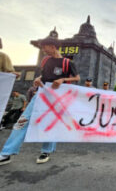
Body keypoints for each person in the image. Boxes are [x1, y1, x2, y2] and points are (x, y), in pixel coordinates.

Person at [0, 33, 80, 166]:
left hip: (58, 97)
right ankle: (7, 152)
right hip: (41, 95)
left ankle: (46, 151)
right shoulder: (46, 61)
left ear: (53, 47)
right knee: (22, 121)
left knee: (51, 123)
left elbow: (77, 78)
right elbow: (44, 75)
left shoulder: (68, 63)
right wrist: (38, 79)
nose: (43, 50)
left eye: (45, 47)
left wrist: (63, 79)